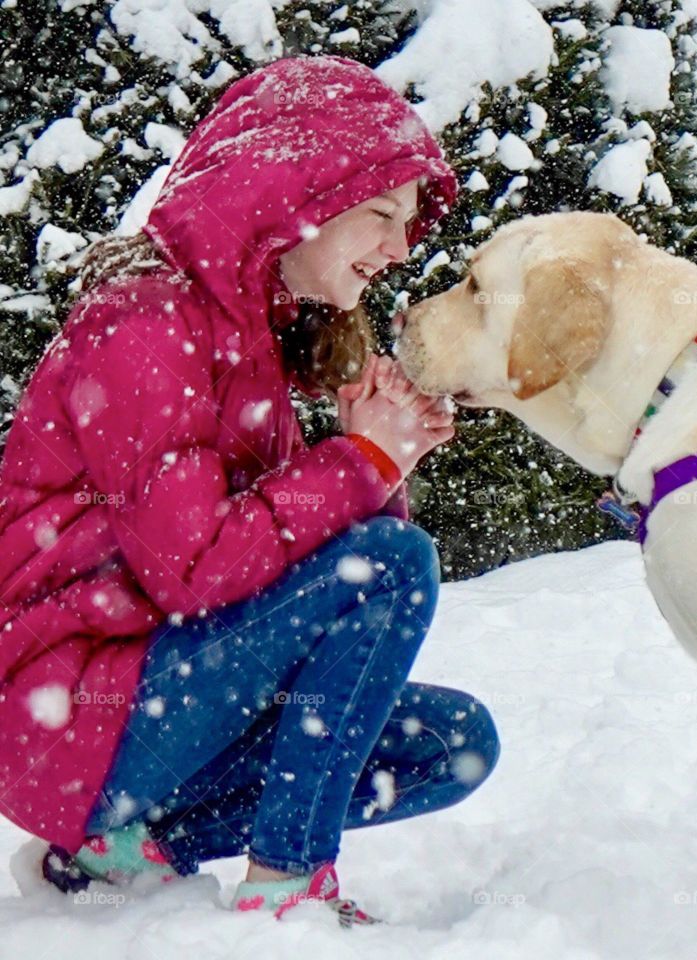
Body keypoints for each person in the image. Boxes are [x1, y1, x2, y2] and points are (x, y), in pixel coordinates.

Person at [0, 55, 499, 925]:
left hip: (154, 704)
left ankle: (126, 849)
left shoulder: (249, 343)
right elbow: (194, 572)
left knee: (449, 744)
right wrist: (357, 464)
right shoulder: (147, 322)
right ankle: (287, 889)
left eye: (407, 224)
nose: (397, 246)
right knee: (388, 564)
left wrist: (382, 466)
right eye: (379, 213)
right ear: (286, 202)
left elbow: (286, 570)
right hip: (71, 716)